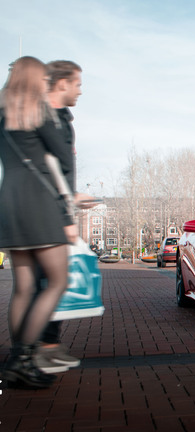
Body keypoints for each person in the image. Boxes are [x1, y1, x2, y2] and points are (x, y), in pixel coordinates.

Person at [0, 56, 76, 388]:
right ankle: (23, 358)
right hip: (39, 202)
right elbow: (61, 154)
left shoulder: (2, 115)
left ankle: (17, 359)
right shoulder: (40, 112)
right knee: (57, 281)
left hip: (9, 199)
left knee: (24, 287)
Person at [33, 60, 89, 374]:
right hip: (44, 211)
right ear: (62, 83)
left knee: (45, 283)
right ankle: (36, 350)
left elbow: (62, 172)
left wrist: (74, 197)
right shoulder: (44, 118)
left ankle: (45, 346)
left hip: (55, 208)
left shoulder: (63, 119)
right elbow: (49, 172)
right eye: (77, 83)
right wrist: (66, 216)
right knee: (50, 282)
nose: (80, 90)